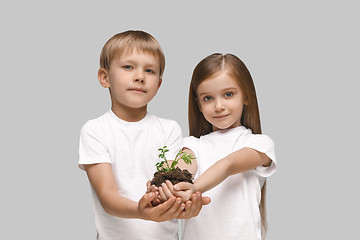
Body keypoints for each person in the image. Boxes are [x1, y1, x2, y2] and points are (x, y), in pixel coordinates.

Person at [78, 30, 209, 240]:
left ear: (158, 83)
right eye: (128, 67)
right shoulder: (95, 130)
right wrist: (141, 212)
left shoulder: (169, 129)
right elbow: (108, 196)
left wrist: (186, 203)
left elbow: (171, 185)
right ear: (105, 77)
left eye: (149, 70)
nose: (139, 77)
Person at [156, 53, 277, 240]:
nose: (219, 106)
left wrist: (194, 187)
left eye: (228, 94)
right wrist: (167, 185)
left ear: (246, 96)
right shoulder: (191, 145)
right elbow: (183, 169)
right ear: (198, 104)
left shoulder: (259, 144)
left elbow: (228, 165)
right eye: (208, 98)